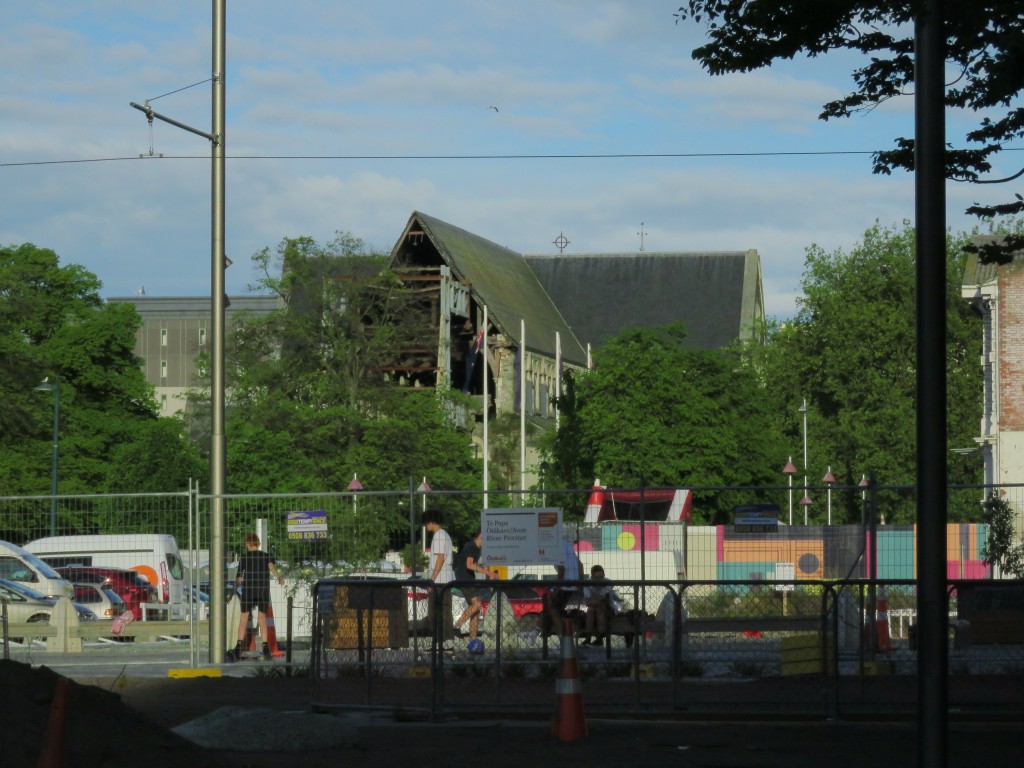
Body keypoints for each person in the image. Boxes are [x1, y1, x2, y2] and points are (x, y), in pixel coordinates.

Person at [229, 533, 285, 660]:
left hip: (249, 590)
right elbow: (272, 567)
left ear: (247, 544)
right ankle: (265, 646)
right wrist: (279, 578)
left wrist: (232, 590)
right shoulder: (266, 556)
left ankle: (238, 646)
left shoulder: (244, 558)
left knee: (243, 619)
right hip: (262, 591)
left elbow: (239, 578)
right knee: (262, 619)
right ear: (258, 544)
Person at [423, 508, 456, 648]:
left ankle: (441, 640)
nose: (425, 526)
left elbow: (440, 558)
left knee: (435, 611)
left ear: (431, 522)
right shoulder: (445, 535)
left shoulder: (439, 536)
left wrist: (432, 578)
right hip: (445, 579)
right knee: (444, 610)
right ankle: (445, 640)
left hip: (440, 580)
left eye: (426, 523)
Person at [453, 532, 494, 641]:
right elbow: (469, 565)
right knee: (477, 604)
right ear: (482, 537)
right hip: (465, 579)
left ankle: (473, 640)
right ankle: (457, 625)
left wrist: (488, 572)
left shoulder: (476, 548)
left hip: (468, 579)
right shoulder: (472, 547)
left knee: (476, 611)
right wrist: (488, 573)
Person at [545, 536, 582, 636]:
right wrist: (580, 583)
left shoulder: (555, 549)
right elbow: (580, 565)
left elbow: (561, 569)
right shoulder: (567, 546)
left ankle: (562, 637)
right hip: (573, 584)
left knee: (552, 610)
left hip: (566, 586)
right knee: (550, 609)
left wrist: (557, 588)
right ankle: (536, 631)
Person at [581, 564, 621, 646]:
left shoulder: (607, 582)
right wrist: (597, 599)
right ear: (592, 577)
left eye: (601, 577)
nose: (599, 580)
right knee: (591, 610)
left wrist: (591, 590)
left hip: (608, 609)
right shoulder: (587, 583)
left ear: (604, 575)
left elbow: (604, 600)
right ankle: (590, 638)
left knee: (599, 609)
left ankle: (598, 638)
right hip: (593, 607)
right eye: (596, 578)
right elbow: (588, 602)